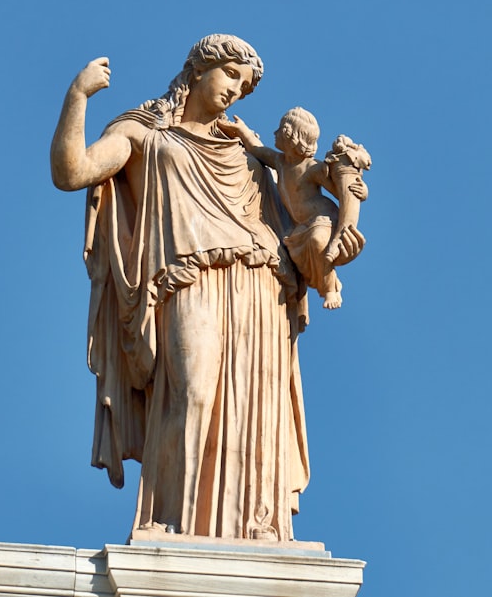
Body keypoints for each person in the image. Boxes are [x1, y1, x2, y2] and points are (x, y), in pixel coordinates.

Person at [50, 34, 341, 540]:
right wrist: (78, 96)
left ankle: (254, 530)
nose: (236, 91)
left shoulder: (249, 152)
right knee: (194, 391)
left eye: (245, 86)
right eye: (231, 75)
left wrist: (331, 239)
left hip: (260, 285)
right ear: (198, 68)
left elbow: (298, 218)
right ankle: (174, 522)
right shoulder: (145, 134)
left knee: (256, 414)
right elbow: (71, 171)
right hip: (190, 281)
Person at [219, 107, 370, 309]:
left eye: (280, 130)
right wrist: (242, 130)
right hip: (301, 224)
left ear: (292, 137)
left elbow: (341, 192)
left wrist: (363, 191)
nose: (275, 133)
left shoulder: (313, 168)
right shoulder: (279, 162)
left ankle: (331, 288)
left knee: (318, 244)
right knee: (294, 254)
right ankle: (325, 280)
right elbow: (257, 149)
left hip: (323, 218)